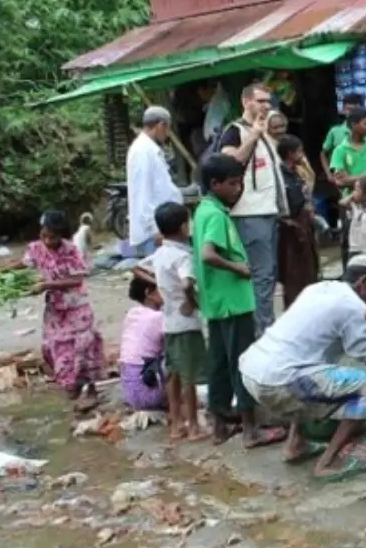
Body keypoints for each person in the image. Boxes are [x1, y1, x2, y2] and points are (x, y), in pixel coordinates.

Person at [238, 265, 366, 482]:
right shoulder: (354, 308)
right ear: (364, 284)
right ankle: (326, 463)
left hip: (251, 371)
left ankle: (295, 443)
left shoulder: (318, 289)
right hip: (279, 381)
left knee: (312, 368)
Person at [194, 153, 286, 447]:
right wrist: (240, 268)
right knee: (242, 362)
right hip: (235, 301)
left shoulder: (203, 210)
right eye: (233, 184)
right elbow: (208, 254)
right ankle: (250, 428)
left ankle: (220, 424)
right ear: (215, 183)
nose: (238, 189)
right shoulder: (216, 215)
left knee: (219, 361)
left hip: (217, 302)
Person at [12, 211, 104, 413]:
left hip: (76, 307)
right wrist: (4, 273)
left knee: (83, 348)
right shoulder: (36, 248)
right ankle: (73, 383)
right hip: (55, 310)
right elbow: (25, 263)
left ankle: (91, 389)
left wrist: (47, 285)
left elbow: (77, 280)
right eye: (44, 235)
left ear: (60, 235)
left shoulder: (71, 250)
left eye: (52, 237)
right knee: (54, 348)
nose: (47, 240)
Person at [219, 83, 287, 335]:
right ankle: (262, 331)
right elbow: (230, 163)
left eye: (268, 101)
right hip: (249, 213)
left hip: (268, 212)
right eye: (260, 101)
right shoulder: (235, 131)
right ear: (246, 102)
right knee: (261, 274)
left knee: (268, 273)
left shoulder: (265, 131)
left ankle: (263, 325)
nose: (266, 106)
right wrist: (254, 135)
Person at [138, 201, 208, 442]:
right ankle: (194, 426)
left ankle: (176, 423)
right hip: (186, 322)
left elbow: (137, 268)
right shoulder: (182, 256)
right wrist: (191, 301)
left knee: (174, 373)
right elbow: (187, 281)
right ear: (183, 227)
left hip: (169, 322)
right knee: (189, 377)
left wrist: (163, 287)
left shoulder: (160, 254)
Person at [331, 107, 366, 267]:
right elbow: (340, 182)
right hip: (351, 201)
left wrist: (352, 178)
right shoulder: (340, 150)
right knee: (349, 242)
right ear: (354, 125)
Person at [126, 106, 185, 257]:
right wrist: (155, 229)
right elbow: (142, 194)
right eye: (167, 130)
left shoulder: (150, 149)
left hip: (162, 228)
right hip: (154, 233)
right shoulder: (142, 151)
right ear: (161, 126)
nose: (167, 135)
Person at [276, 135, 319, 308]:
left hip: (304, 223)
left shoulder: (297, 172)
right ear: (290, 153)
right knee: (294, 273)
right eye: (299, 151)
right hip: (291, 227)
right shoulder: (280, 174)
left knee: (309, 269)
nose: (302, 154)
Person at [119, 276, 167, 412]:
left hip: (130, 392)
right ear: (149, 293)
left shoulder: (132, 313)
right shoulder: (158, 318)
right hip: (147, 395)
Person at [320, 92, 366, 180]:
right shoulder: (335, 131)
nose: (351, 113)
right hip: (342, 181)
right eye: (348, 109)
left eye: (355, 110)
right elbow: (323, 154)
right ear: (343, 110)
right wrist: (329, 174)